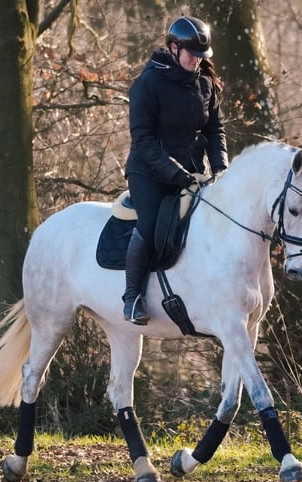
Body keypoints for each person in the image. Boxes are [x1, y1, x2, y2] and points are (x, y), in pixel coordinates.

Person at [122, 15, 229, 325]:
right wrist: (176, 173)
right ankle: (131, 298)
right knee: (152, 222)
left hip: (192, 172)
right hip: (148, 172)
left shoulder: (205, 83)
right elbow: (143, 139)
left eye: (201, 57)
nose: (197, 61)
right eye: (192, 55)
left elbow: (215, 128)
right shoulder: (147, 84)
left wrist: (221, 166)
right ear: (173, 48)